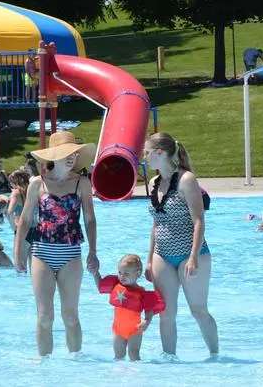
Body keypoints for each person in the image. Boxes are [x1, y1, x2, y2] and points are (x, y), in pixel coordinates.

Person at [13, 131, 98, 357]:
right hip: (41, 253)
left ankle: (77, 363)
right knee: (44, 317)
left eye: (74, 153)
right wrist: (18, 252)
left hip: (71, 254)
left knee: (70, 316)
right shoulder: (37, 184)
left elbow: (90, 219)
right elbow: (26, 219)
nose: (72, 157)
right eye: (66, 153)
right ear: (54, 156)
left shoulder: (82, 182)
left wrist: (93, 252)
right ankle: (45, 367)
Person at [142, 132, 218, 358]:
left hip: (190, 254)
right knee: (165, 312)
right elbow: (156, 223)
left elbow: (199, 221)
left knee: (198, 310)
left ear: (160, 153)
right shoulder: (155, 182)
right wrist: (148, 259)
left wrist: (193, 256)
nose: (144, 157)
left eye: (147, 152)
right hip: (162, 255)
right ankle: (169, 362)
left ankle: (215, 356)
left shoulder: (186, 180)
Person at [91, 254, 164, 361]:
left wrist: (147, 321)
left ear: (137, 274)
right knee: (118, 356)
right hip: (118, 330)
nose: (122, 276)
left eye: (126, 273)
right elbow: (100, 286)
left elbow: (149, 310)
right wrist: (95, 273)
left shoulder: (142, 292)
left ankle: (137, 374)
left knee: (133, 354)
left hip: (135, 330)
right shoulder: (115, 285)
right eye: (120, 272)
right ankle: (119, 376)